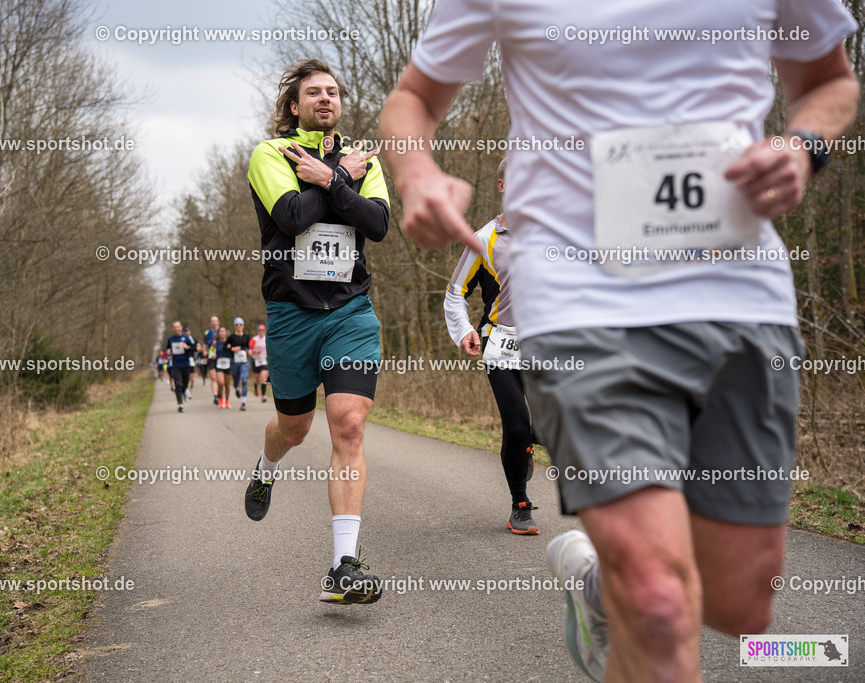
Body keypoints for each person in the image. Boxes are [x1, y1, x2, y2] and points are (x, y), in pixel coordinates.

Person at [379, 2, 859, 680]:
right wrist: (416, 175)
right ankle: (629, 585)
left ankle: (600, 589)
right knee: (660, 603)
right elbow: (413, 100)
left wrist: (803, 146)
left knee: (739, 599)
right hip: (579, 301)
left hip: (738, 288)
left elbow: (829, 82)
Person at [245, 58, 391, 604]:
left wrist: (334, 176)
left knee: (348, 425)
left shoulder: (360, 157)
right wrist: (339, 181)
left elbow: (376, 224)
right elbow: (291, 216)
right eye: (314, 93)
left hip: (351, 310)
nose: (325, 99)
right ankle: (266, 464)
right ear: (294, 105)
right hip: (291, 314)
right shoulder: (270, 154)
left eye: (332, 92)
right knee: (294, 427)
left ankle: (343, 566)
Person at [445, 158, 538, 535]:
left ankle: (530, 442)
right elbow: (454, 294)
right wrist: (464, 329)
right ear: (502, 187)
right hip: (499, 341)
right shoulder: (484, 238)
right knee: (516, 426)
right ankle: (520, 504)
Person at [165, 321, 196, 412]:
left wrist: (188, 347)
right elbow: (168, 348)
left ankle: (184, 392)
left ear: (181, 327)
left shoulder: (187, 338)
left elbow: (195, 348)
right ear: (172, 329)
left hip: (186, 364)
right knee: (178, 384)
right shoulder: (170, 339)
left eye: (178, 327)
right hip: (175, 365)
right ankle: (180, 403)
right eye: (175, 327)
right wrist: (168, 352)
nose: (176, 329)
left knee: (185, 384)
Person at [227, 317, 253, 411]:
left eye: (240, 324)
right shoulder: (231, 337)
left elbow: (248, 347)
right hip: (234, 362)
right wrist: (232, 349)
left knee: (244, 379)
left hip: (244, 361)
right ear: (235, 326)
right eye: (237, 324)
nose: (239, 326)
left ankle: (243, 402)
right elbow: (225, 348)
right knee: (235, 381)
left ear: (243, 326)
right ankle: (237, 388)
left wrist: (249, 351)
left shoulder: (246, 336)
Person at [213, 326, 232, 409]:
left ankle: (227, 401)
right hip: (219, 365)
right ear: (218, 333)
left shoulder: (230, 342)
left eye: (223, 331)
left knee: (227, 385)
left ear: (226, 333)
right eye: (220, 331)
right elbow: (212, 351)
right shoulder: (215, 343)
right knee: (221, 383)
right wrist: (213, 355)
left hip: (228, 365)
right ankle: (221, 399)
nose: (222, 333)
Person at [250, 324, 269, 402]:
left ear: (265, 331)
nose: (261, 332)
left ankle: (263, 396)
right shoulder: (254, 339)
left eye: (263, 330)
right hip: (256, 361)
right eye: (260, 330)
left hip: (264, 361)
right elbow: (249, 349)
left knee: (263, 378)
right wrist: (254, 351)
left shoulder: (267, 339)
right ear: (258, 331)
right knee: (257, 380)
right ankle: (255, 387)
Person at [205, 315, 221, 404]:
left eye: (216, 321)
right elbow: (204, 344)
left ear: (218, 322)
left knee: (219, 379)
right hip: (211, 357)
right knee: (213, 377)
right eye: (212, 321)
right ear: (210, 323)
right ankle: (215, 396)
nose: (214, 323)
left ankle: (219, 393)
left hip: (221, 357)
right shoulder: (207, 333)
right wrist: (204, 352)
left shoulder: (223, 331)